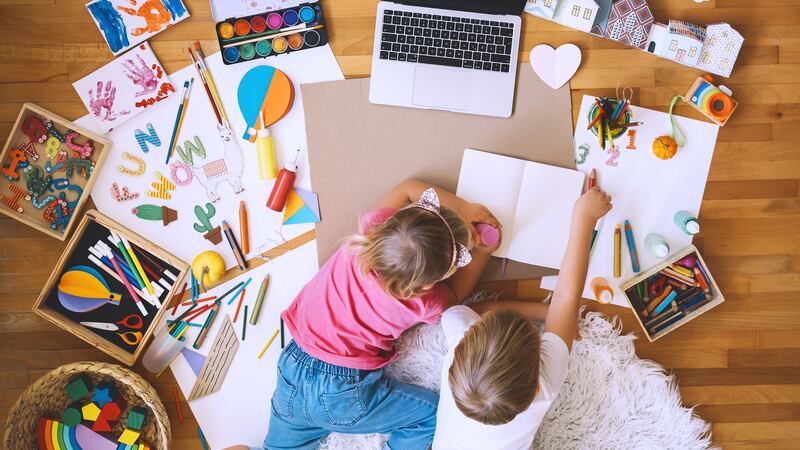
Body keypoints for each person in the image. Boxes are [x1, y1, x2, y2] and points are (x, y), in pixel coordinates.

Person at [234, 180, 501, 450]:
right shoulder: (423, 301)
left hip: (293, 367)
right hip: (341, 391)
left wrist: (463, 207)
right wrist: (483, 252)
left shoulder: (370, 232)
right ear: (428, 284)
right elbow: (456, 295)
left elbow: (407, 189)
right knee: (429, 416)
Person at [431, 187, 613, 450]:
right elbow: (565, 296)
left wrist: (548, 313)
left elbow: (473, 309)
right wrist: (584, 218)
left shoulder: (458, 332)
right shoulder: (547, 383)